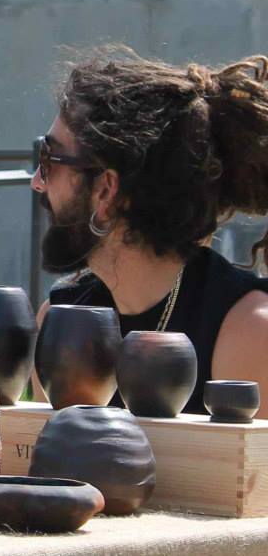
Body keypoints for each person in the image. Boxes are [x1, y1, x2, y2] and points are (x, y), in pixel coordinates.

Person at [31, 46, 268, 416]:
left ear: (105, 190)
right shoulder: (59, 318)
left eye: (49, 159)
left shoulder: (249, 332)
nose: (36, 181)